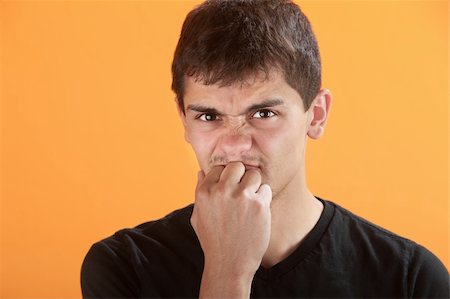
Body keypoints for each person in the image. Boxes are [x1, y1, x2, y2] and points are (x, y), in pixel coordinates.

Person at [80, 0, 449, 298]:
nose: (235, 143)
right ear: (184, 120)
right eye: (209, 116)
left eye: (264, 113)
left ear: (315, 115)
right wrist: (228, 272)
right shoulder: (123, 267)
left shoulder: (409, 280)